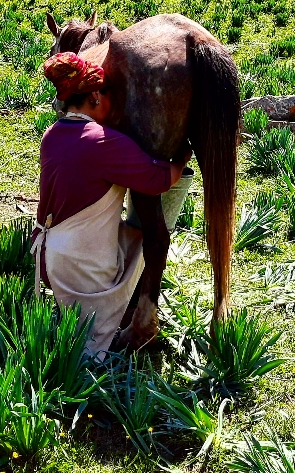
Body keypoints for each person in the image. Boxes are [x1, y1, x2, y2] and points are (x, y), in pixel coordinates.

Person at [33, 51, 191, 356]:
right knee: (91, 351)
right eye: (108, 97)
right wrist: (182, 155)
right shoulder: (103, 141)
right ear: (94, 96)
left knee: (127, 237)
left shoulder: (52, 135)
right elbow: (160, 179)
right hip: (82, 266)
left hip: (48, 256)